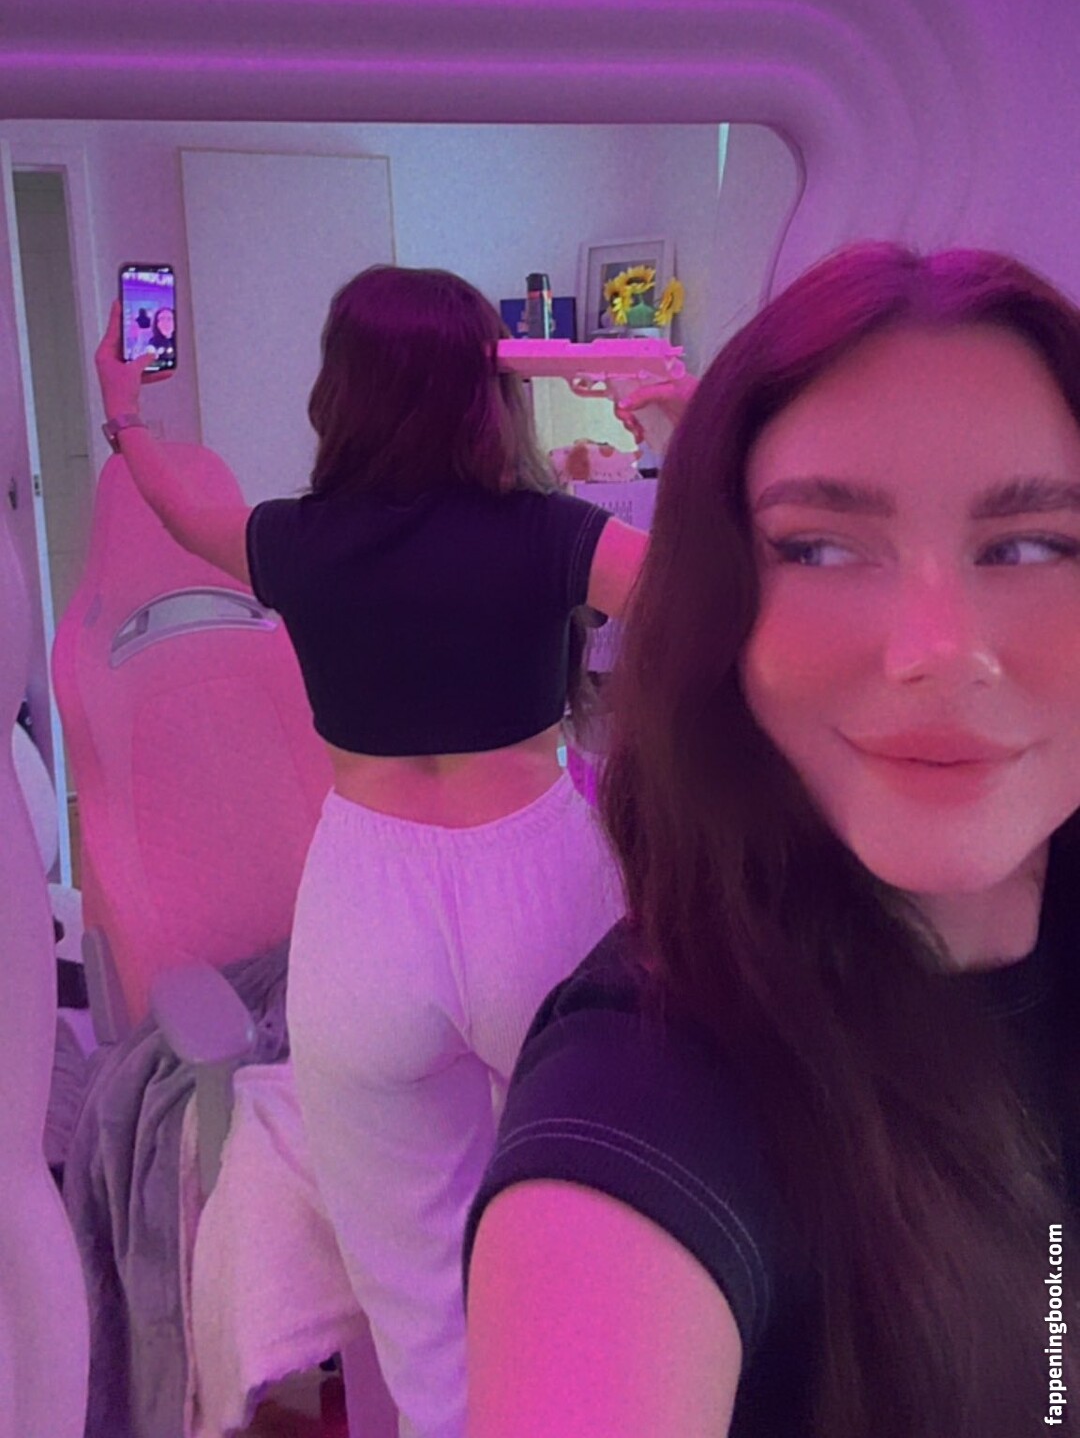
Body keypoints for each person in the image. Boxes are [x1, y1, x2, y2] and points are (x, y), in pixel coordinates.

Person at [463, 242, 1080, 1438]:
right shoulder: (649, 1093)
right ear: (722, 609)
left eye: (1029, 545)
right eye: (820, 548)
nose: (937, 651)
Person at [94, 263, 653, 1438]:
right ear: (488, 388)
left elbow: (177, 511)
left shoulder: (298, 541)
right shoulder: (551, 532)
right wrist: (676, 427)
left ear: (340, 390)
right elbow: (712, 595)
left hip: (366, 907)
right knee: (601, 1221)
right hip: (536, 883)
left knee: (415, 1293)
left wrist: (125, 412)